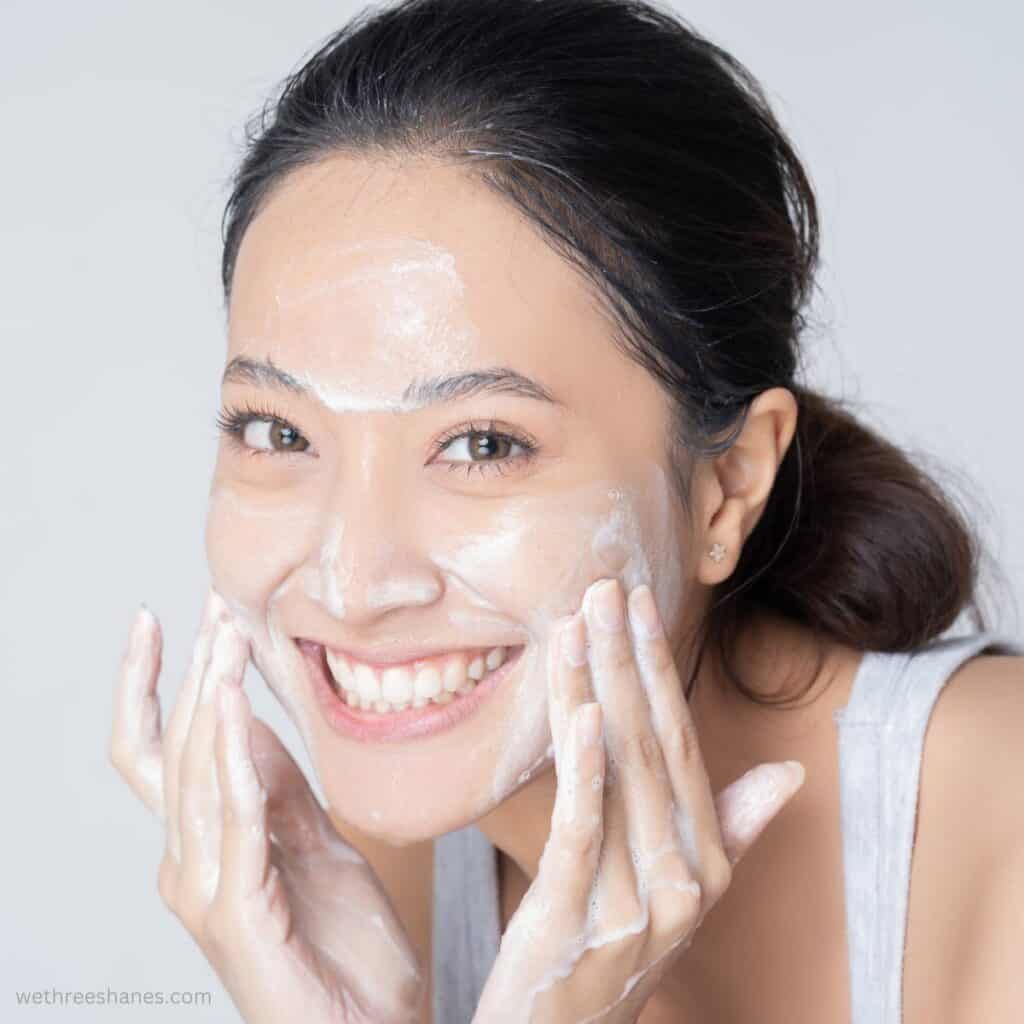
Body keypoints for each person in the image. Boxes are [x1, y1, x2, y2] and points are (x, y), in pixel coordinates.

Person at [109, 1, 1024, 1021]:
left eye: (483, 444)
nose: (353, 585)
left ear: (727, 487)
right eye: (278, 432)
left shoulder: (1004, 816)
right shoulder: (388, 853)